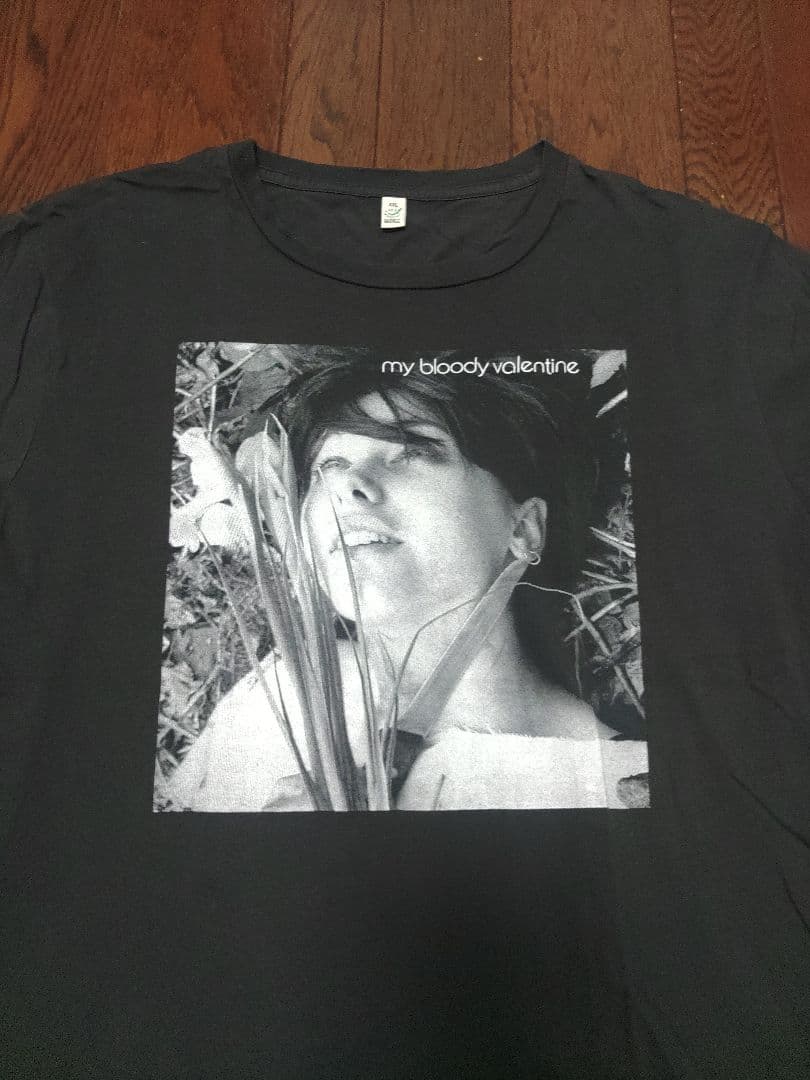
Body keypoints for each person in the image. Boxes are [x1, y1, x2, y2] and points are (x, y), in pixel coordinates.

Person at [164, 351, 648, 811]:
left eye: (412, 453)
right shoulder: (273, 703)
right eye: (328, 466)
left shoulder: (621, 788)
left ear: (523, 529)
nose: (346, 484)